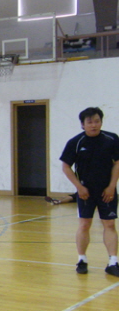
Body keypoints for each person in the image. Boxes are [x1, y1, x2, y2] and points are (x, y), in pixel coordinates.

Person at [60, 106, 119, 277]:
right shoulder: (76, 142)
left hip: (107, 191)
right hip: (85, 191)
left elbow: (117, 163)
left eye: (97, 121)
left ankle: (113, 262)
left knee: (109, 224)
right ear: (82, 124)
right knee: (85, 224)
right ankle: (82, 260)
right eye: (90, 122)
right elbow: (66, 166)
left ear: (101, 122)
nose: (94, 125)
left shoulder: (112, 139)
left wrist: (111, 186)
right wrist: (79, 187)